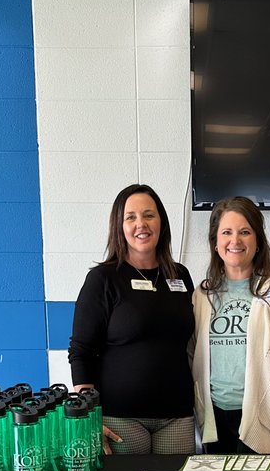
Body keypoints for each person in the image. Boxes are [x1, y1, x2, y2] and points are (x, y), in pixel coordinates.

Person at [69, 184, 195, 454]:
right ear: (119, 226)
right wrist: (88, 418)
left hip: (178, 417)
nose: (141, 224)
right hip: (120, 418)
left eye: (149, 215)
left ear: (161, 221)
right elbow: (81, 352)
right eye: (131, 217)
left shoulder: (180, 276)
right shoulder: (103, 279)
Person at [192, 196, 270, 454]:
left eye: (245, 232)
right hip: (213, 422)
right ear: (215, 243)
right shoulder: (203, 295)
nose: (235, 241)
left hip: (264, 425)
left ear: (257, 241)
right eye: (226, 232)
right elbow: (192, 355)